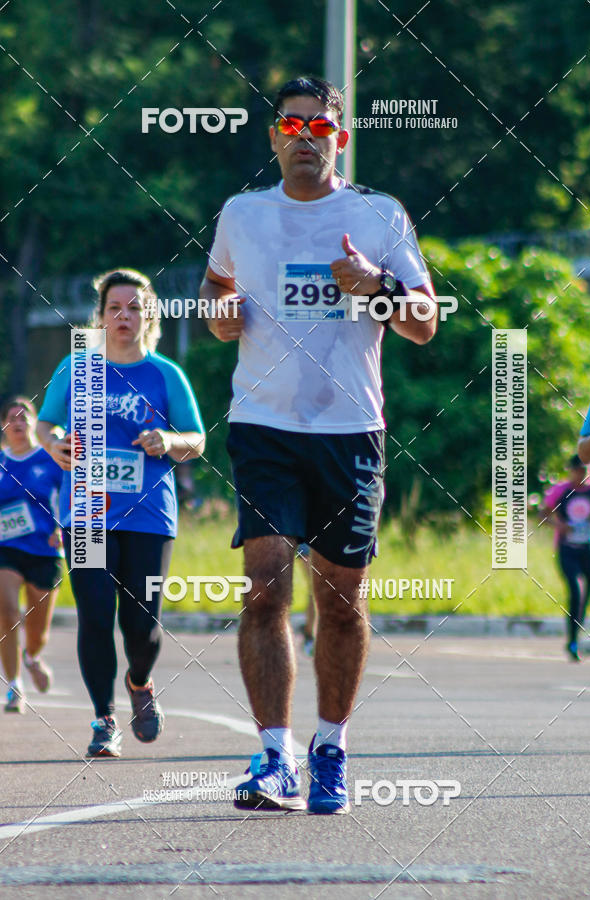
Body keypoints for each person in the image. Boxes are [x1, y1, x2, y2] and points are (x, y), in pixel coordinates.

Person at [201, 75, 437, 813]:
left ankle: (329, 746)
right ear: (274, 136)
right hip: (264, 425)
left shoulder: (378, 216)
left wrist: (376, 285)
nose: (306, 138)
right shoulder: (243, 213)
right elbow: (214, 294)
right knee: (265, 584)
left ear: (341, 138)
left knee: (339, 601)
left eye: (321, 129)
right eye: (292, 126)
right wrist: (220, 316)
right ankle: (273, 757)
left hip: (349, 430)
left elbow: (425, 322)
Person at [37, 269, 205, 757]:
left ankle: (139, 681)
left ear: (148, 315)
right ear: (101, 316)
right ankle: (102, 719)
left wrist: (167, 440)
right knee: (93, 614)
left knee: (142, 624)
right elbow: (46, 423)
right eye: (115, 308)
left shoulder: (165, 374)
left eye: (135, 307)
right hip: (86, 508)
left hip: (149, 513)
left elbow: (196, 439)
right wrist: (53, 446)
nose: (124, 316)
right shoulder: (78, 368)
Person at [0, 397, 63, 713]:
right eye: (12, 417)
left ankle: (32, 656)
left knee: (38, 633)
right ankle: (14, 686)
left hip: (45, 551)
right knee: (7, 613)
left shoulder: (52, 459)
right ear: (4, 426)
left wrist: (64, 528)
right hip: (6, 550)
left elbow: (75, 496)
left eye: (26, 417)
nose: (19, 422)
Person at [543, 455, 590, 661]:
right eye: (577, 471)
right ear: (571, 471)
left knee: (586, 596)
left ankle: (575, 638)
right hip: (568, 549)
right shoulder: (562, 491)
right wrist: (560, 526)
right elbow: (543, 514)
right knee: (576, 590)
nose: (581, 475)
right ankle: (573, 640)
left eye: (585, 471)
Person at [296, 543, 316, 656]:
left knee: (319, 588)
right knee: (315, 586)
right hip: (306, 544)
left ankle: (310, 633)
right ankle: (310, 635)